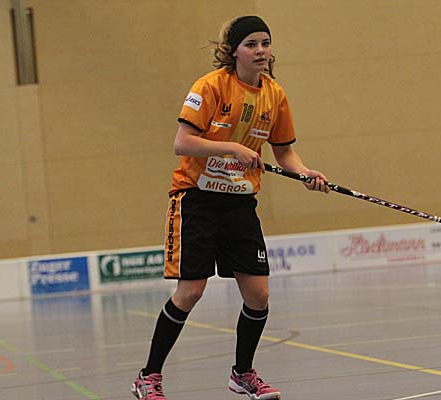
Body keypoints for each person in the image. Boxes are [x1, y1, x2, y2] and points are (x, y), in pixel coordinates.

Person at [131, 15, 329, 400]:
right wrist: (232, 148)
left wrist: (305, 173)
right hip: (197, 200)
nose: (261, 51)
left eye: (265, 43)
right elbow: (182, 143)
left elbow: (284, 152)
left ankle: (243, 374)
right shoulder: (209, 87)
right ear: (234, 51)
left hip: (239, 203)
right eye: (251, 44)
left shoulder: (275, 95)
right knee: (190, 292)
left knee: (258, 295)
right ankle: (148, 376)